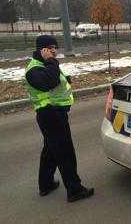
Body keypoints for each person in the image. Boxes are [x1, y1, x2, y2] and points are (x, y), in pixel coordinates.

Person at [24, 35, 94, 203]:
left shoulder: (44, 64)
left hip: (54, 113)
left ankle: (46, 184)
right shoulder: (35, 68)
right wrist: (52, 62)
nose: (54, 51)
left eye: (55, 47)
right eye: (50, 48)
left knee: (50, 151)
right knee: (65, 152)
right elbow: (49, 81)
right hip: (50, 114)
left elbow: (56, 80)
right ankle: (75, 190)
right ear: (42, 49)